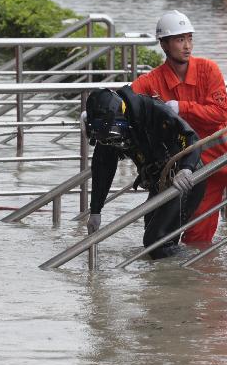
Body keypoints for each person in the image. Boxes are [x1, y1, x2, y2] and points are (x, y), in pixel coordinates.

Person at [132, 10, 227, 245]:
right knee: (197, 235)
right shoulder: (153, 80)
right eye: (179, 39)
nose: (187, 46)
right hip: (199, 164)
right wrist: (98, 110)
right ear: (163, 45)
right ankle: (200, 278)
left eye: (189, 39)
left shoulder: (208, 70)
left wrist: (181, 108)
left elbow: (220, 114)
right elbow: (127, 98)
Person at [85, 87, 206, 260]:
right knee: (152, 234)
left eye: (114, 137)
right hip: (160, 182)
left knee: (156, 241)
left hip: (185, 177)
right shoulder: (106, 131)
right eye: (107, 140)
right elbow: (102, 169)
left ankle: (190, 275)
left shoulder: (152, 109)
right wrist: (95, 210)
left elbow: (190, 137)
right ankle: (170, 281)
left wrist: (186, 168)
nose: (113, 142)